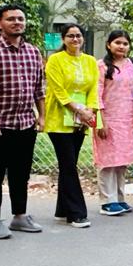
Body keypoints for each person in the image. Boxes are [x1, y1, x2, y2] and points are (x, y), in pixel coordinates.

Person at [0, 5, 45, 239]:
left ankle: (20, 216)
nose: (17, 22)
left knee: (21, 173)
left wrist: (41, 116)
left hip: (26, 123)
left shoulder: (33, 52)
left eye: (20, 18)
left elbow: (39, 89)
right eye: (11, 19)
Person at [44, 23, 99, 228]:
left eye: (78, 36)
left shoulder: (90, 61)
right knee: (68, 164)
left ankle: (62, 209)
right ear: (63, 39)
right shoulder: (55, 60)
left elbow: (94, 87)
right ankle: (76, 213)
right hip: (59, 119)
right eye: (70, 36)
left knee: (69, 163)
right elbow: (58, 91)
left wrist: (90, 110)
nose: (75, 39)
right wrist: (78, 109)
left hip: (80, 121)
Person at [93, 30, 133, 216]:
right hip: (108, 118)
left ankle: (120, 198)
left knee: (121, 161)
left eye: (125, 43)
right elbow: (96, 94)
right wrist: (100, 121)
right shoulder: (101, 66)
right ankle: (107, 201)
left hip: (128, 119)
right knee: (107, 161)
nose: (121, 46)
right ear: (108, 45)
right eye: (117, 43)